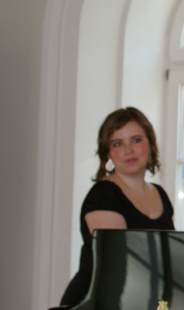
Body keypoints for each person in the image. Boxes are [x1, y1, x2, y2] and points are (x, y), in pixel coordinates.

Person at [59, 107, 174, 307]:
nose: (129, 150)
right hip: (98, 301)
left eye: (136, 140)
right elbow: (122, 266)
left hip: (142, 299)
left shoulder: (160, 194)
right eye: (118, 143)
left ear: (150, 144)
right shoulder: (103, 195)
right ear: (108, 154)